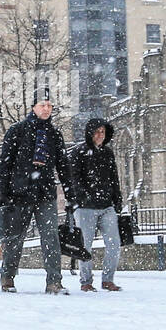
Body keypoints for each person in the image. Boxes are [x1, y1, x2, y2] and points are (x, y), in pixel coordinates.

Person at [0, 86, 74, 294]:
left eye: (49, 105)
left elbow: (63, 167)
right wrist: (2, 194)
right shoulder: (17, 131)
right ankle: (8, 277)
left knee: (51, 237)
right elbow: (5, 165)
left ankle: (54, 281)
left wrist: (70, 194)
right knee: (15, 237)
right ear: (33, 107)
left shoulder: (55, 135)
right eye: (42, 105)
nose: (46, 109)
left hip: (45, 193)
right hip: (19, 193)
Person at [69, 117, 124, 292]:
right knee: (85, 246)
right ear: (90, 133)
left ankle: (108, 279)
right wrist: (83, 197)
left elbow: (114, 178)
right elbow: (74, 179)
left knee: (114, 243)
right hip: (86, 208)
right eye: (97, 132)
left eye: (103, 132)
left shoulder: (108, 153)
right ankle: (86, 281)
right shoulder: (79, 152)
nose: (100, 135)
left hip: (107, 206)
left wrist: (117, 199)